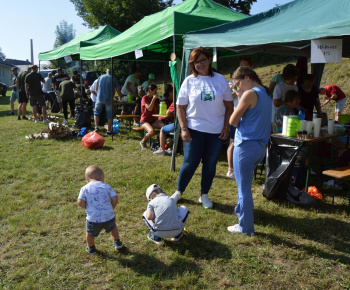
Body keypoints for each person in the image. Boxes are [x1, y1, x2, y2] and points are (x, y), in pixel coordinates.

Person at [172, 47, 233, 209]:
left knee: (210, 164)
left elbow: (229, 106)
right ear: (192, 64)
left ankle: (203, 194)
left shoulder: (220, 80)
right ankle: (179, 192)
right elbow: (180, 107)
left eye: (204, 60)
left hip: (216, 131)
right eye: (197, 62)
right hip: (194, 129)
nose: (201, 64)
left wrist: (227, 127)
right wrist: (184, 129)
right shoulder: (189, 81)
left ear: (209, 60)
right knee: (190, 163)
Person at [227, 66, 271, 235]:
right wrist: (239, 95)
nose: (238, 87)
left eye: (238, 83)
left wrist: (238, 97)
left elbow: (233, 120)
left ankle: (246, 227)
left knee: (243, 188)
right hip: (260, 147)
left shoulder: (250, 93)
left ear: (247, 78)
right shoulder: (265, 92)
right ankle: (242, 215)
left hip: (245, 146)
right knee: (244, 186)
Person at [77, 165, 123, 255]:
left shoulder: (84, 188)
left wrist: (87, 207)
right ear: (101, 176)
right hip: (108, 216)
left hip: (93, 219)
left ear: (86, 180)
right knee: (113, 227)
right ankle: (117, 242)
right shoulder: (106, 186)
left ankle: (91, 248)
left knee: (90, 233)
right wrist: (111, 208)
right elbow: (115, 198)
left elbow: (79, 202)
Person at [227, 57, 253, 180]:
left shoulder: (252, 82)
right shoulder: (233, 81)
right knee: (232, 142)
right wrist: (236, 88)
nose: (243, 68)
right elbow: (229, 96)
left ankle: (243, 168)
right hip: (236, 115)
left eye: (246, 66)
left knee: (245, 144)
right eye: (241, 66)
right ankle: (230, 169)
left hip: (248, 117)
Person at [94, 69, 122, 134]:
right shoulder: (114, 79)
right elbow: (118, 90)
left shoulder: (100, 77)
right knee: (110, 115)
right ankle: (109, 131)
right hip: (109, 99)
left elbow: (96, 88)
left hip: (99, 98)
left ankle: (96, 127)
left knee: (96, 113)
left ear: (106, 72)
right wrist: (120, 97)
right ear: (113, 73)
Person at [139, 84, 164, 149]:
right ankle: (143, 141)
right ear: (150, 91)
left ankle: (161, 142)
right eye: (155, 91)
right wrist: (153, 99)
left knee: (164, 127)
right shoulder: (144, 98)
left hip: (152, 120)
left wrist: (157, 119)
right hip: (144, 121)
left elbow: (155, 110)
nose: (156, 93)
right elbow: (149, 108)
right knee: (152, 132)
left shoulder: (154, 99)